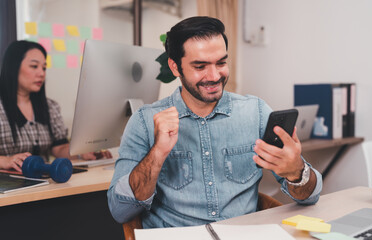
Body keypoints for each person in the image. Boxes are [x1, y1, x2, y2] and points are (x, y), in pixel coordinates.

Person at [107, 16, 322, 228]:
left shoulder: (255, 112)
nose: (214, 75)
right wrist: (157, 153)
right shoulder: (144, 122)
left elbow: (309, 197)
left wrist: (297, 172)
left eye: (221, 62)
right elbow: (120, 211)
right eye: (200, 66)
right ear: (174, 67)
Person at [0, 40, 111, 172]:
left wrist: (82, 153)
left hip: (44, 182)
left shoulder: (50, 107)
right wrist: (4, 160)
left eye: (44, 68)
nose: (41, 73)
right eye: (34, 66)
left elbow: (58, 148)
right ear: (14, 67)